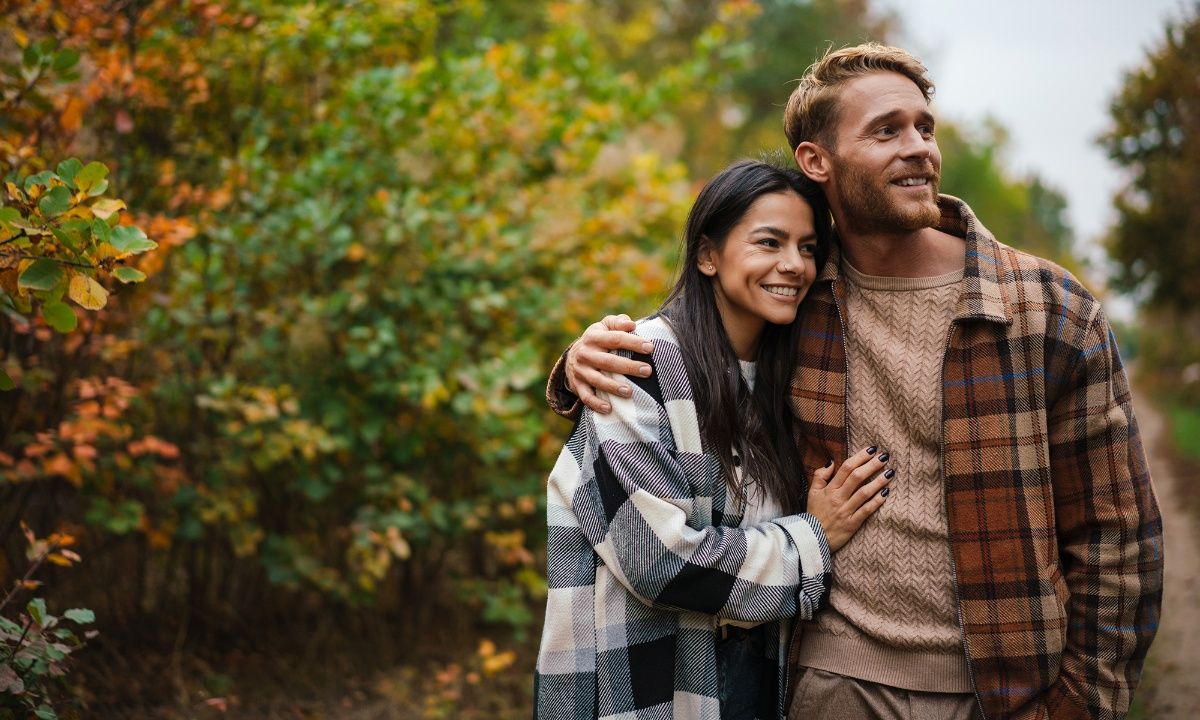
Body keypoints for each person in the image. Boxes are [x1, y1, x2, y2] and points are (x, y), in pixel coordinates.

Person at [549, 44, 1163, 720]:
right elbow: (688, 351)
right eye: (886, 130)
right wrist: (579, 364)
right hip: (828, 686)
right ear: (818, 161)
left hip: (1004, 690)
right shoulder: (797, 299)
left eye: (924, 127)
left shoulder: (1047, 307)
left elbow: (1117, 535)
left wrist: (1083, 703)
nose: (919, 148)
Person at [534, 160, 896, 720]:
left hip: (754, 684)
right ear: (708, 255)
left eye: (806, 247)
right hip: (639, 692)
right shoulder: (639, 367)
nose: (793, 265)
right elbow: (659, 560)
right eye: (768, 242)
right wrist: (813, 537)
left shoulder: (791, 379)